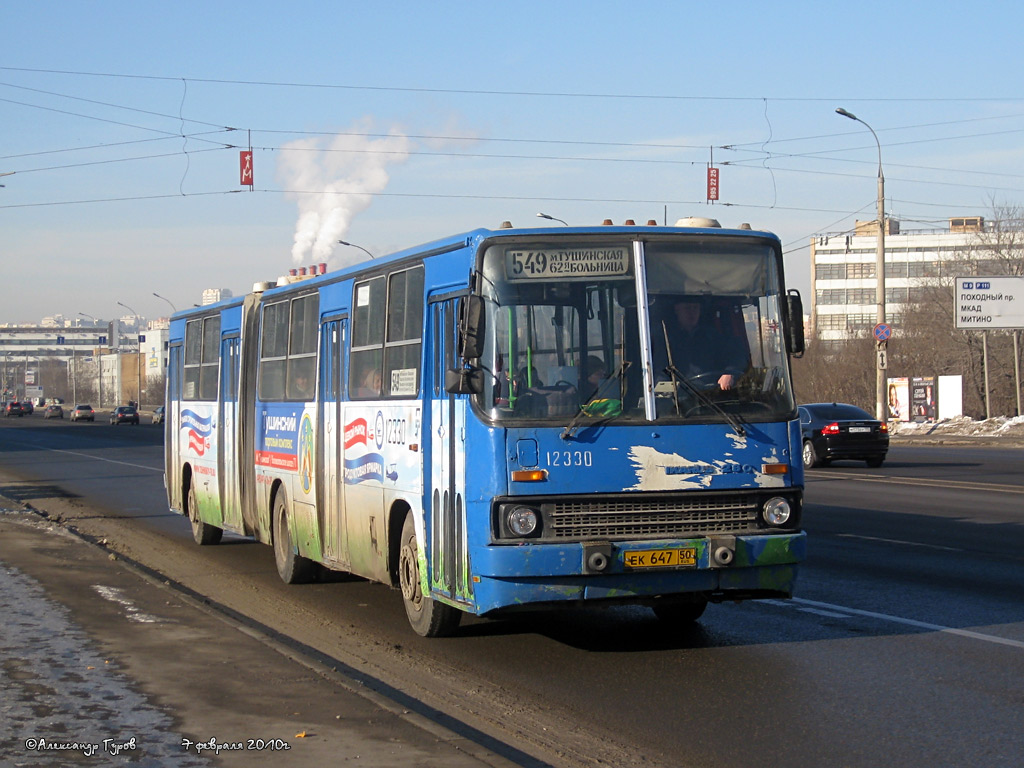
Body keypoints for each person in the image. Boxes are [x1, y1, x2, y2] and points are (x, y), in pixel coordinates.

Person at [659, 297, 748, 391]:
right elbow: (659, 373)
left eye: (695, 308)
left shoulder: (712, 336)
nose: (692, 312)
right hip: (679, 399)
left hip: (710, 396)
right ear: (677, 310)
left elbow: (737, 356)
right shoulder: (665, 338)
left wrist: (729, 373)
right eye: (687, 308)